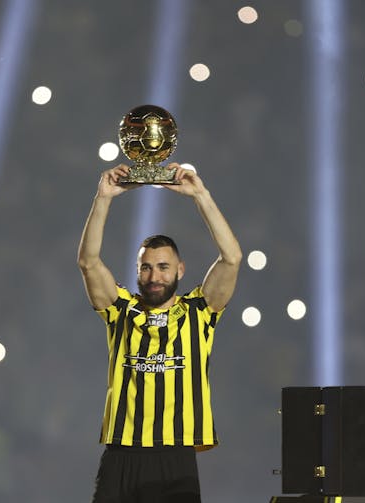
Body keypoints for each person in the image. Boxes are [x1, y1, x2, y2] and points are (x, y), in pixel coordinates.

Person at [78, 163, 242, 503]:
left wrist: (200, 195)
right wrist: (103, 198)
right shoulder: (121, 310)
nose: (155, 276)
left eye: (163, 267)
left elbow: (232, 258)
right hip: (122, 454)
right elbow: (89, 262)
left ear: (180, 270)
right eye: (147, 267)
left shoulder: (200, 311)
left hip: (176, 458)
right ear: (137, 271)